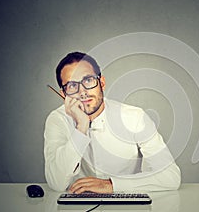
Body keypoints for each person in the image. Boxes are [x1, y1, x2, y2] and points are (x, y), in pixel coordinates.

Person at [44, 51, 181, 194]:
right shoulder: (57, 120)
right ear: (63, 94)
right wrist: (81, 128)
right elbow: (56, 183)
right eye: (72, 86)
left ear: (101, 83)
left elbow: (171, 176)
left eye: (88, 80)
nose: (83, 92)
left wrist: (111, 185)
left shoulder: (135, 117)